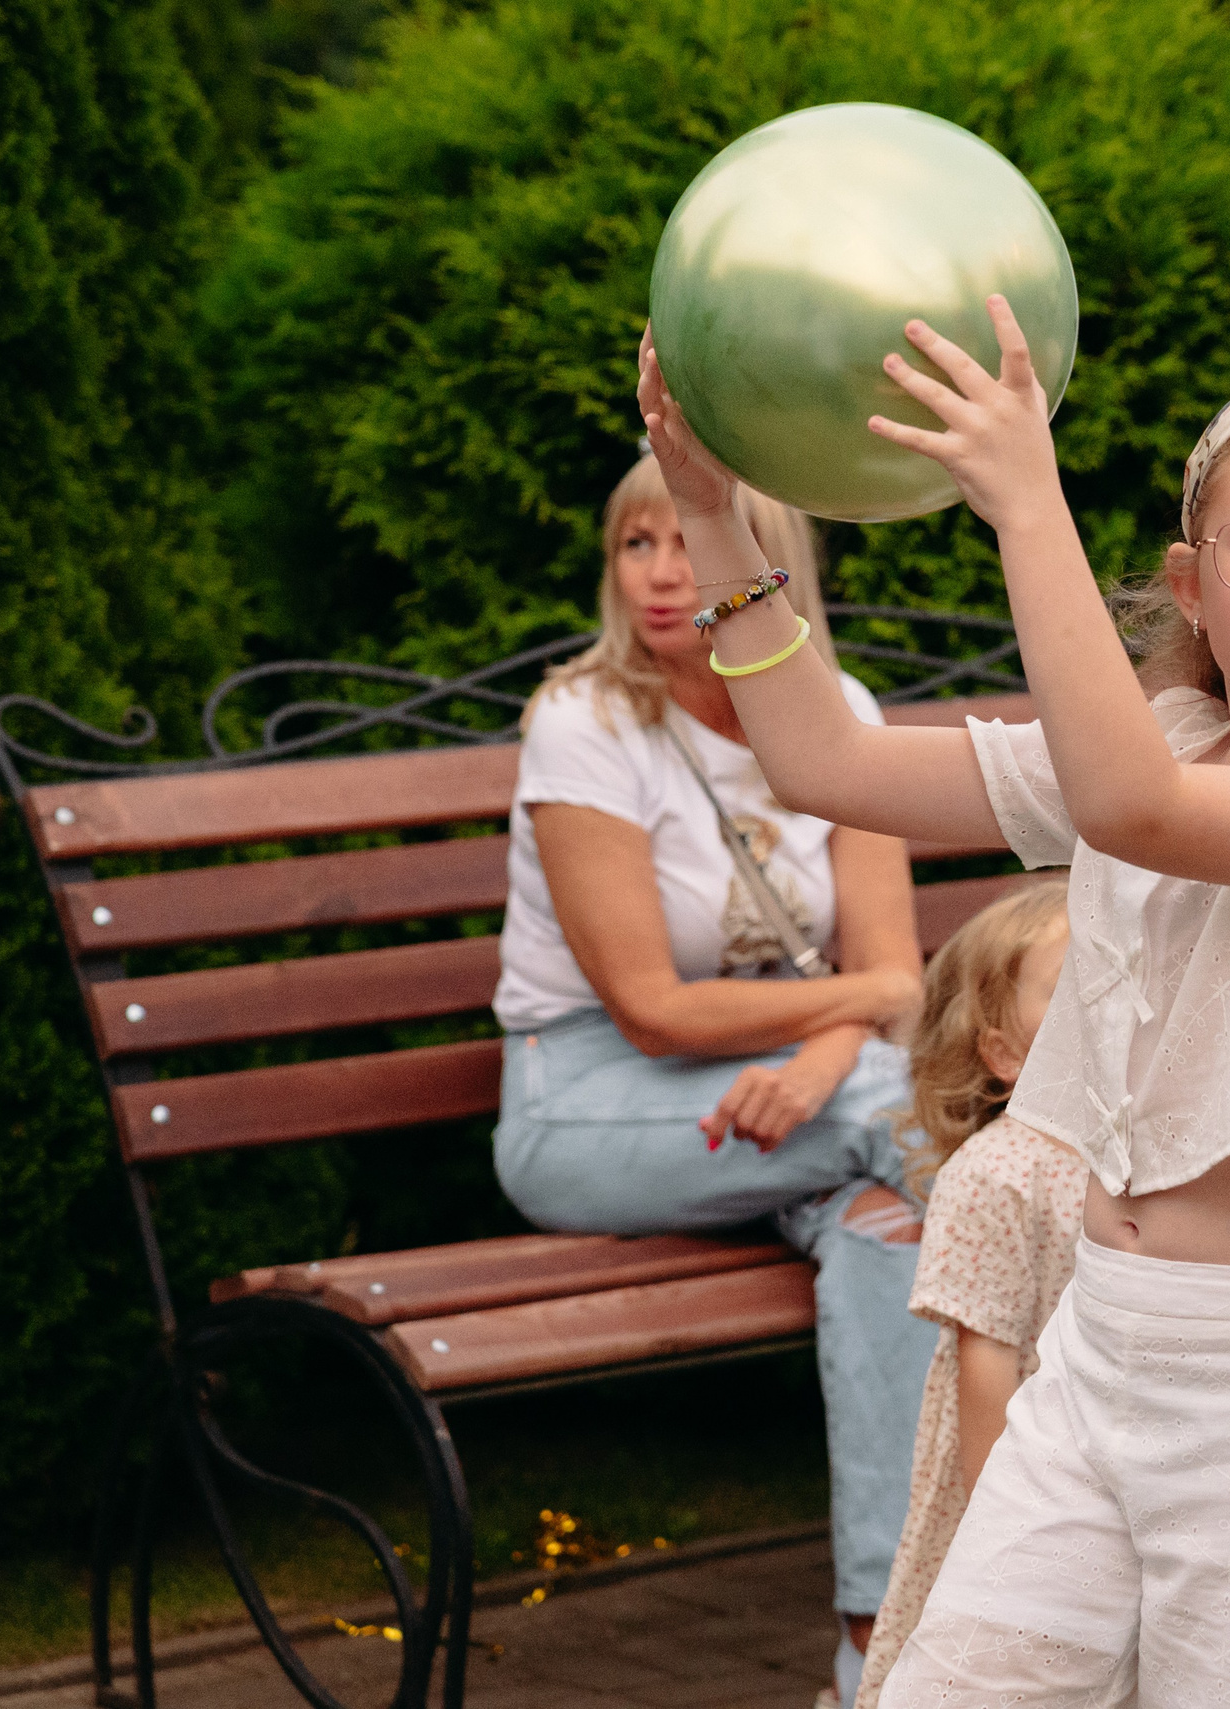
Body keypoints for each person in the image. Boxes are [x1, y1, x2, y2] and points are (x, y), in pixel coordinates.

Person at [637, 304, 1230, 1703]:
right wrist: (713, 516)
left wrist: (1027, 504)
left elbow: (1135, 810)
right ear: (1194, 584)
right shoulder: (1163, 734)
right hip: (1099, 1346)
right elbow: (825, 762)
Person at [489, 456, 937, 1703]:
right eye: (637, 544)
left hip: (799, 1096)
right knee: (913, 1123)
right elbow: (654, 1007)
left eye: (690, 540)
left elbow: (895, 973)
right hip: (584, 1096)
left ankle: (879, 1651)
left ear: (768, 566)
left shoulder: (835, 708)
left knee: (889, 1226)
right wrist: (854, 1030)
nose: (661, 573)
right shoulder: (585, 720)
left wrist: (827, 1053)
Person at [854, 882, 1082, 1709]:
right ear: (1003, 1053)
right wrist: (1007, 1520)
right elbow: (984, 1356)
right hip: (1019, 1480)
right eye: (1072, 983)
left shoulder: (1143, 1152)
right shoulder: (996, 1173)